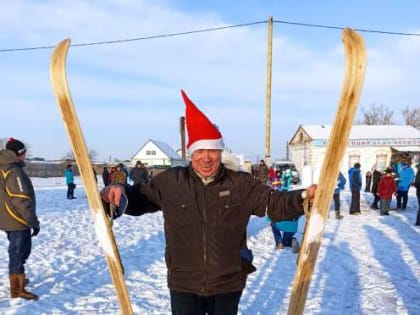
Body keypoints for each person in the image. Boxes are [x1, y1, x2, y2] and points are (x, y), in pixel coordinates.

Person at [101, 90, 317, 315]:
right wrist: (119, 191)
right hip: (184, 283)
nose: (206, 157)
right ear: (191, 153)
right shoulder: (171, 181)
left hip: (227, 282)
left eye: (212, 151)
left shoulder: (240, 184)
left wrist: (303, 197)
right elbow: (141, 198)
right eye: (200, 150)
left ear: (220, 152)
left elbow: (274, 203)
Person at [0, 138, 40, 300]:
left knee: (18, 252)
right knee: (19, 251)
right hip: (17, 219)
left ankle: (18, 276)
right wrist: (32, 221)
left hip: (7, 217)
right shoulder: (13, 170)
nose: (25, 156)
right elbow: (20, 198)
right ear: (17, 153)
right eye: (23, 153)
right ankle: (17, 289)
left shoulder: (4, 166)